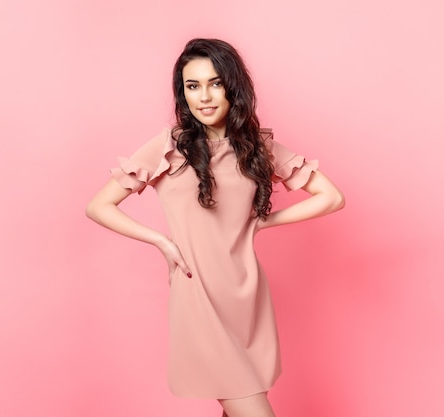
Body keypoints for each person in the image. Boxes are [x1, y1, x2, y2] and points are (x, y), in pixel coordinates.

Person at [85, 38, 344, 417]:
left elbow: (331, 197)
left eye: (215, 83)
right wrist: (162, 242)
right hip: (197, 295)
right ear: (183, 93)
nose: (203, 96)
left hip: (246, 296)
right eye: (192, 86)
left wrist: (264, 223)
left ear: (232, 87)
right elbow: (99, 205)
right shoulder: (169, 146)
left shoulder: (256, 147)